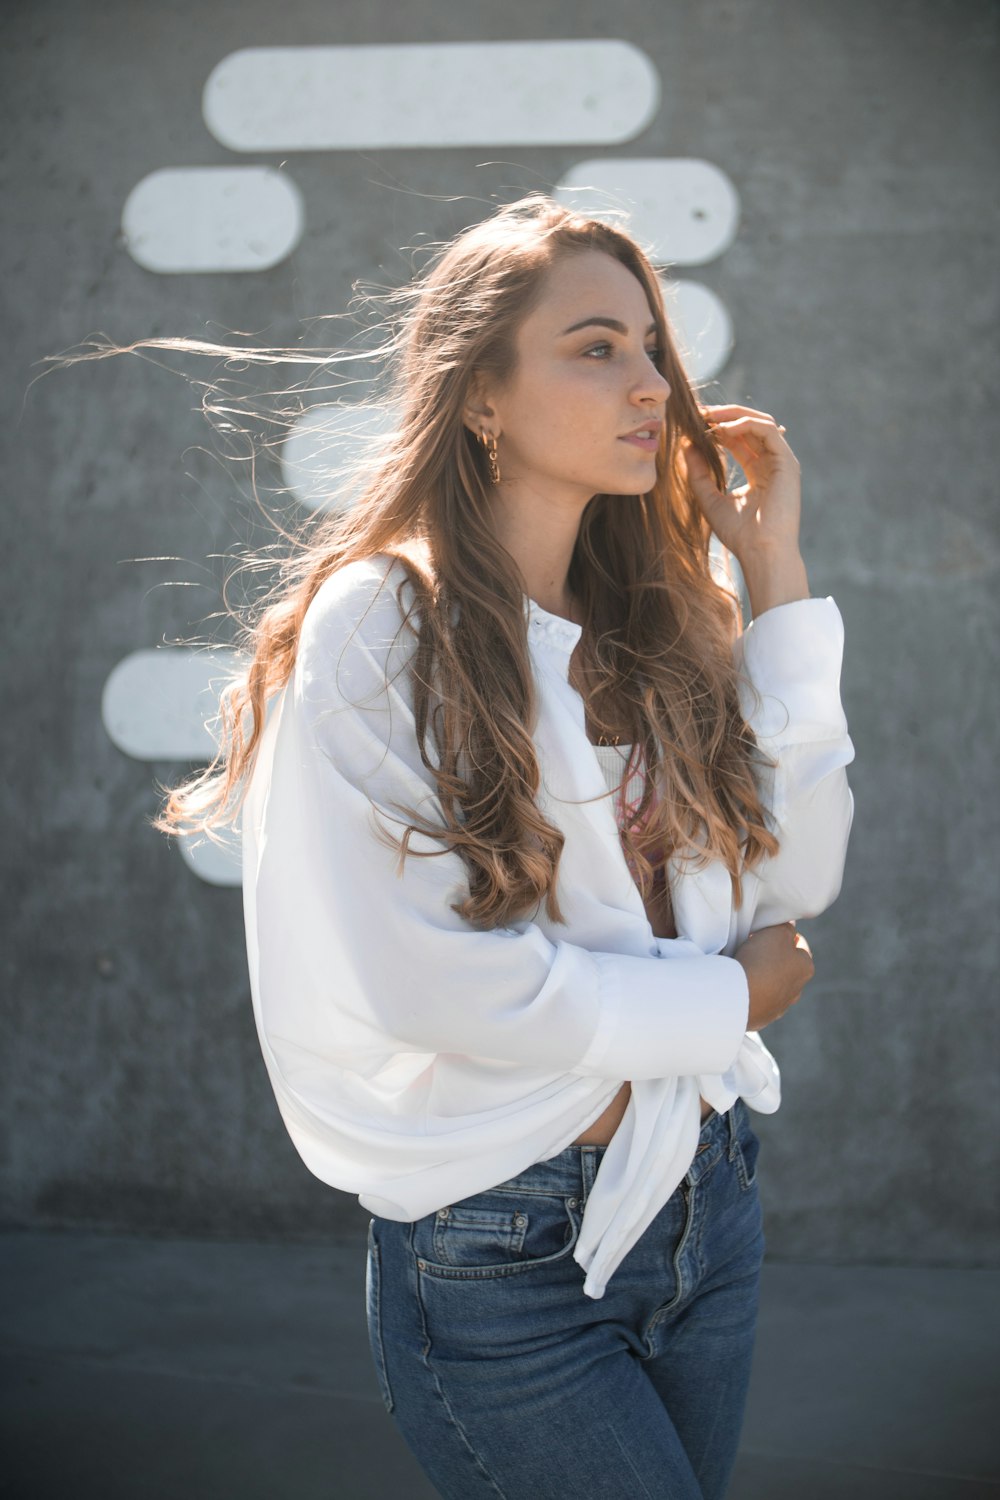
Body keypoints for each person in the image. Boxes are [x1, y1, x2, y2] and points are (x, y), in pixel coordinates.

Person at [161, 194, 856, 1498]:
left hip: (707, 1209)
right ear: (481, 392)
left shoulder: (667, 617)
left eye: (653, 347)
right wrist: (729, 1001)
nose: (652, 383)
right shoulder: (383, 627)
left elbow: (796, 879)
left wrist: (775, 584)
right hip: (501, 1252)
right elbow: (434, 983)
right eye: (596, 347)